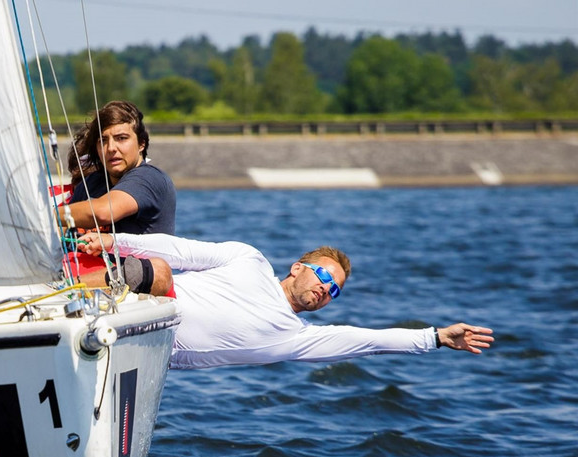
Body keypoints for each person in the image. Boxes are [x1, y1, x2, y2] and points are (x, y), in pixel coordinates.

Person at [78, 231, 494, 370]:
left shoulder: (297, 338)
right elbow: (181, 249)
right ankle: (60, 291)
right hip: (137, 301)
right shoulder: (249, 259)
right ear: (298, 268)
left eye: (334, 292)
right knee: (164, 269)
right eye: (324, 277)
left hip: (141, 353)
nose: (325, 291)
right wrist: (117, 240)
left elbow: (369, 340)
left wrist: (436, 337)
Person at [60, 101, 176, 295]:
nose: (111, 148)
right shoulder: (91, 184)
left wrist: (41, 216)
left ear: (141, 144)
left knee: (157, 270)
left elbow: (103, 212)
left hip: (133, 288)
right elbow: (58, 233)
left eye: (121, 138)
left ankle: (65, 289)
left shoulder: (149, 178)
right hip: (79, 281)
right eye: (102, 141)